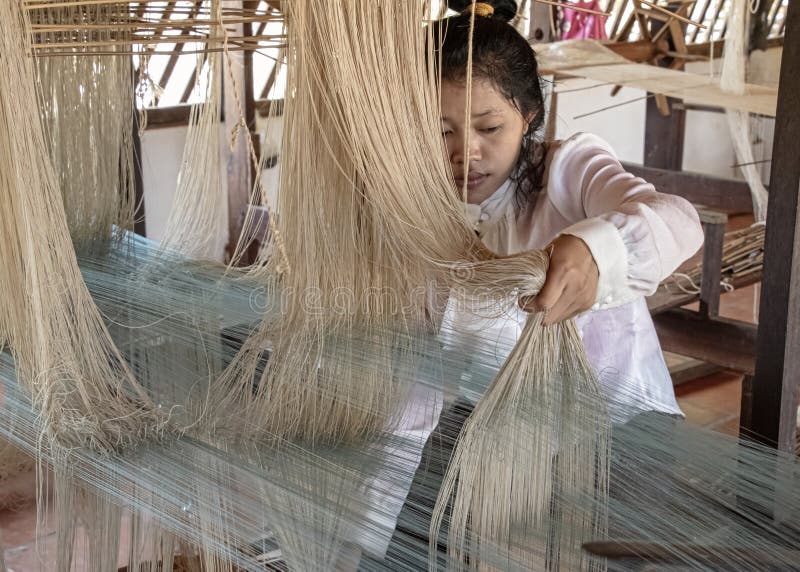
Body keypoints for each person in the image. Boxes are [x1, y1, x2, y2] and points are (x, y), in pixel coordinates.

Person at [379, 1, 704, 564]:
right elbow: (420, 376)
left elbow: (676, 219)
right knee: (411, 538)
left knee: (610, 553)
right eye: (441, 131)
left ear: (529, 115)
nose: (465, 153)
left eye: (489, 127)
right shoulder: (423, 216)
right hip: (496, 416)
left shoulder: (568, 172)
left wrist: (597, 250)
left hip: (614, 424)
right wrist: (375, 517)